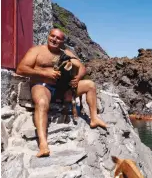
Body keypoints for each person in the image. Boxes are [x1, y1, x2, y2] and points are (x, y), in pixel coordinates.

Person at [16, 28, 107, 157]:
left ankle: (94, 118)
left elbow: (82, 68)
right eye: (52, 36)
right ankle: (43, 144)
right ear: (48, 36)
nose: (54, 39)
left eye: (58, 38)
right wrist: (45, 72)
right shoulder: (36, 51)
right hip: (43, 86)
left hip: (63, 89)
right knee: (42, 103)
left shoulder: (66, 53)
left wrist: (77, 78)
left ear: (63, 41)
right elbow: (20, 69)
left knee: (90, 85)